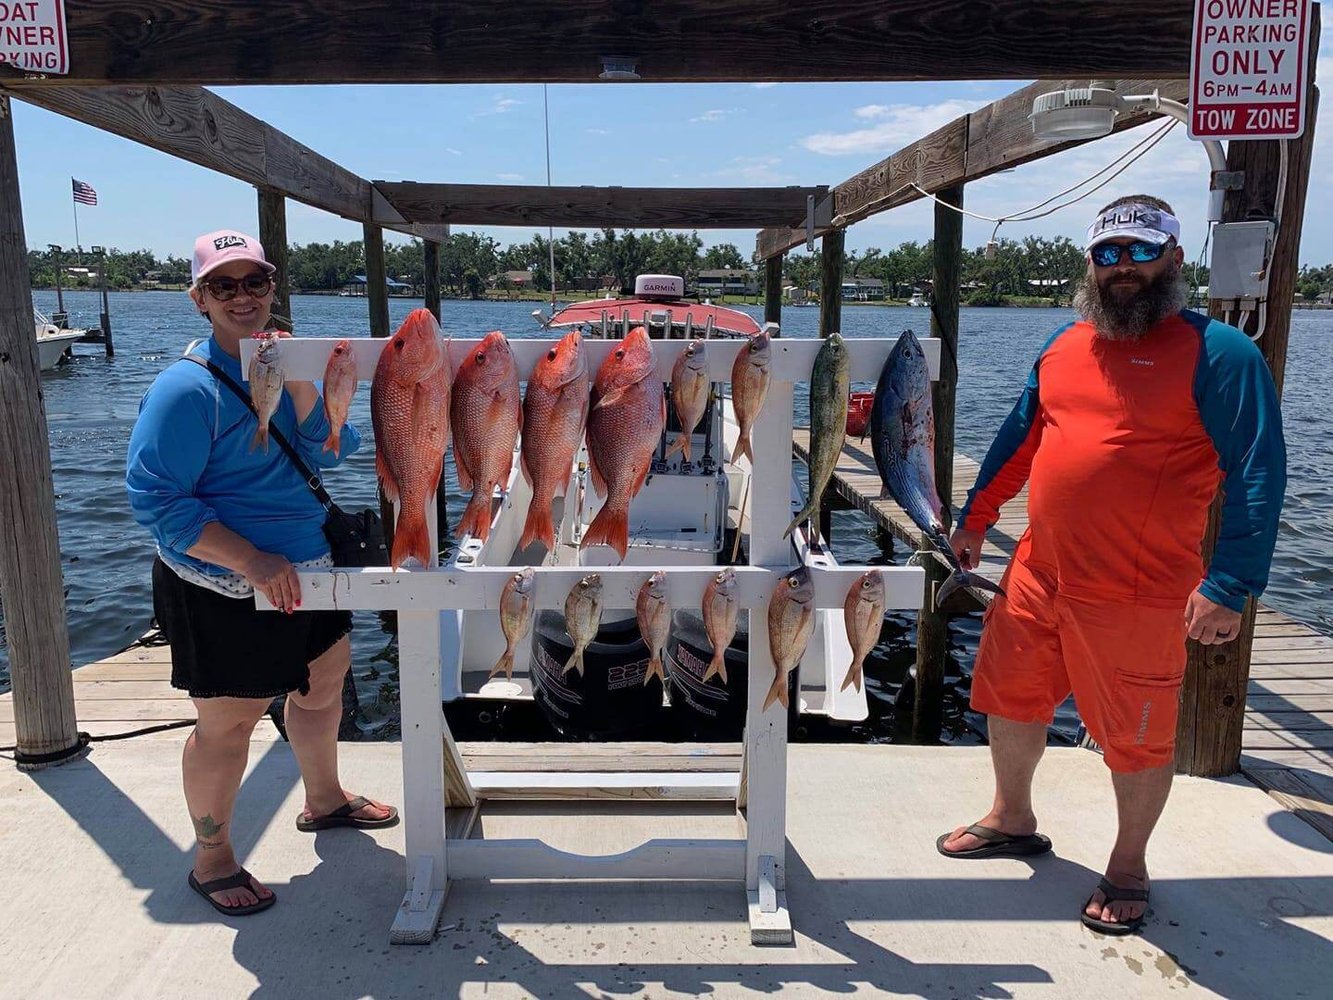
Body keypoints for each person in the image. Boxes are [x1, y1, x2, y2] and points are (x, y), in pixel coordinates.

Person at [937, 196, 1285, 935]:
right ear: (1088, 265)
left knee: (1136, 735)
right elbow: (1017, 438)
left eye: (1139, 251)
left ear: (1173, 259)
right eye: (1107, 254)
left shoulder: (1221, 352)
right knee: (1010, 698)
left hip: (1136, 591)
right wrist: (975, 518)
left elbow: (1258, 472)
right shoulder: (1065, 345)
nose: (1122, 268)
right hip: (1038, 570)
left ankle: (1127, 866)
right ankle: (1011, 816)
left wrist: (1229, 584)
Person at [126, 230, 398, 917]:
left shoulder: (288, 362)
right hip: (218, 582)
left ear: (273, 287)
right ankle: (211, 860)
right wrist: (250, 560)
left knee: (324, 684)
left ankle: (325, 799)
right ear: (199, 300)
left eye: (255, 282)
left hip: (308, 567)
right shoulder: (185, 390)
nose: (242, 297)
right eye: (224, 285)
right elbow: (154, 499)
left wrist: (304, 376)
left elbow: (331, 452)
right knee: (229, 723)